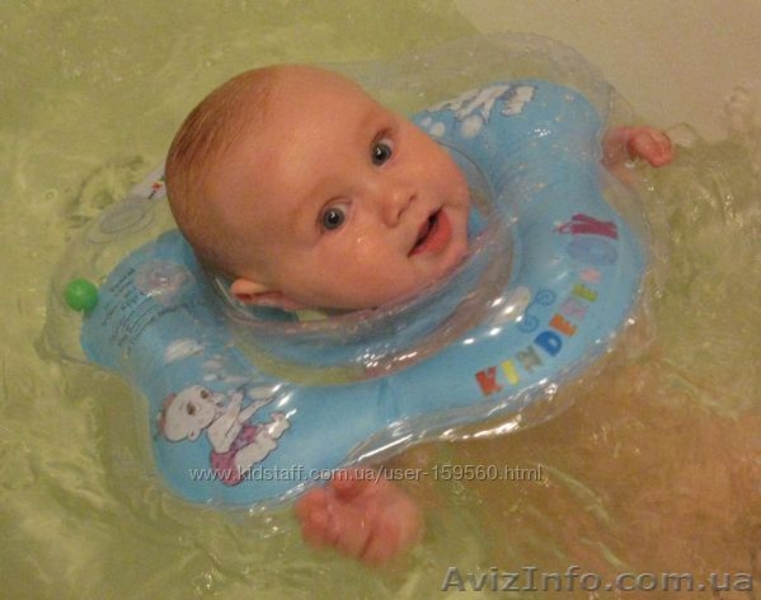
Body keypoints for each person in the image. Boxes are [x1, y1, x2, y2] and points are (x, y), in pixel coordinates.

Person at [165, 64, 674, 564]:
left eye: (380, 153)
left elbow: (558, 184)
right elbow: (428, 492)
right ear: (277, 296)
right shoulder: (383, 373)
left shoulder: (505, 204)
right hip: (582, 533)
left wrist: (599, 162)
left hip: (676, 432)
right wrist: (390, 515)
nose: (395, 197)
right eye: (333, 217)